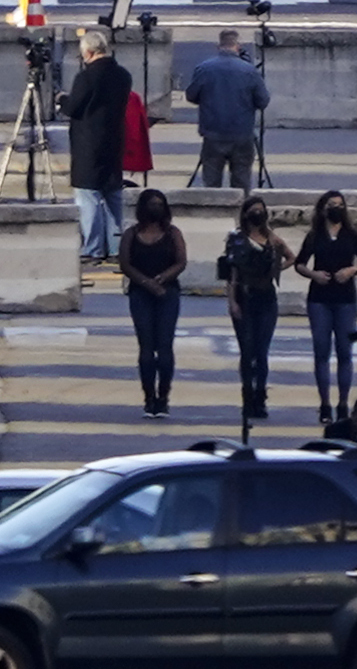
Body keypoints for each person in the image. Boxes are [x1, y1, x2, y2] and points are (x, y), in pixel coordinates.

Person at [60, 24, 135, 261]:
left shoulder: (86, 76)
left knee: (88, 195)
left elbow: (74, 107)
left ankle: (92, 248)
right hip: (114, 139)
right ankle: (116, 247)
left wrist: (62, 100)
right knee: (113, 194)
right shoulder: (123, 75)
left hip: (88, 143)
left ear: (88, 53)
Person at [215, 196, 291, 422]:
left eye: (261, 210)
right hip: (244, 296)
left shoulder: (272, 239)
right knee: (247, 351)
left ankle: (261, 396)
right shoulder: (236, 239)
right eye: (254, 210)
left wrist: (275, 270)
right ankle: (247, 395)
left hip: (267, 296)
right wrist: (232, 302)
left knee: (262, 350)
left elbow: (291, 257)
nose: (258, 214)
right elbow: (231, 274)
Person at [297, 191, 357, 426]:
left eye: (340, 205)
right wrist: (313, 274)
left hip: (345, 298)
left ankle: (343, 403)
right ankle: (325, 403)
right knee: (321, 350)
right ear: (323, 208)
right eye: (331, 205)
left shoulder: (352, 235)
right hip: (320, 297)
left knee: (345, 352)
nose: (336, 209)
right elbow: (299, 263)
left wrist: (352, 270)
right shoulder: (315, 235)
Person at [119, 188, 187, 417]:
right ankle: (149, 397)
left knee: (165, 346)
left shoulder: (173, 233)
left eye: (160, 204)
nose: (156, 209)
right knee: (146, 347)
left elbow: (181, 262)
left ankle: (164, 397)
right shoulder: (131, 234)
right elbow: (125, 264)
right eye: (152, 204)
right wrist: (147, 283)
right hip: (140, 293)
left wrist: (163, 279)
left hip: (168, 293)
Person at [180, 28, 267, 191]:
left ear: (218, 46)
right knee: (241, 184)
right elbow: (263, 101)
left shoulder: (204, 68)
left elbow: (191, 95)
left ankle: (214, 214)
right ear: (237, 46)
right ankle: (241, 214)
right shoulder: (249, 70)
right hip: (242, 133)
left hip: (213, 133)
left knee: (212, 186)